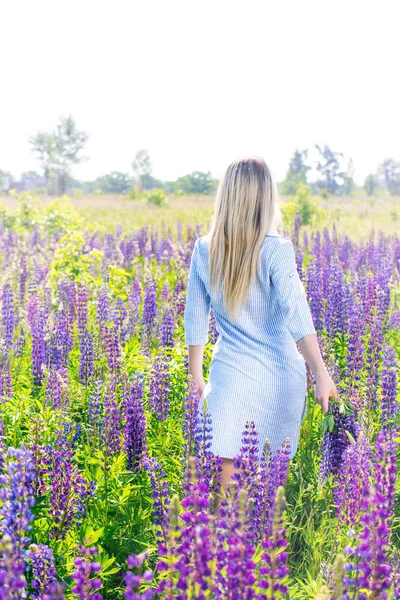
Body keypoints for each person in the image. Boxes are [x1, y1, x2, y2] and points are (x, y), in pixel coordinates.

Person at [183, 156, 339, 491]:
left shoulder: (205, 249)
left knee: (227, 500)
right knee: (266, 497)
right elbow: (297, 312)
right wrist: (321, 373)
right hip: (280, 377)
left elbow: (196, 317)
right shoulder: (276, 249)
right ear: (265, 198)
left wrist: (196, 375)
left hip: (230, 378)